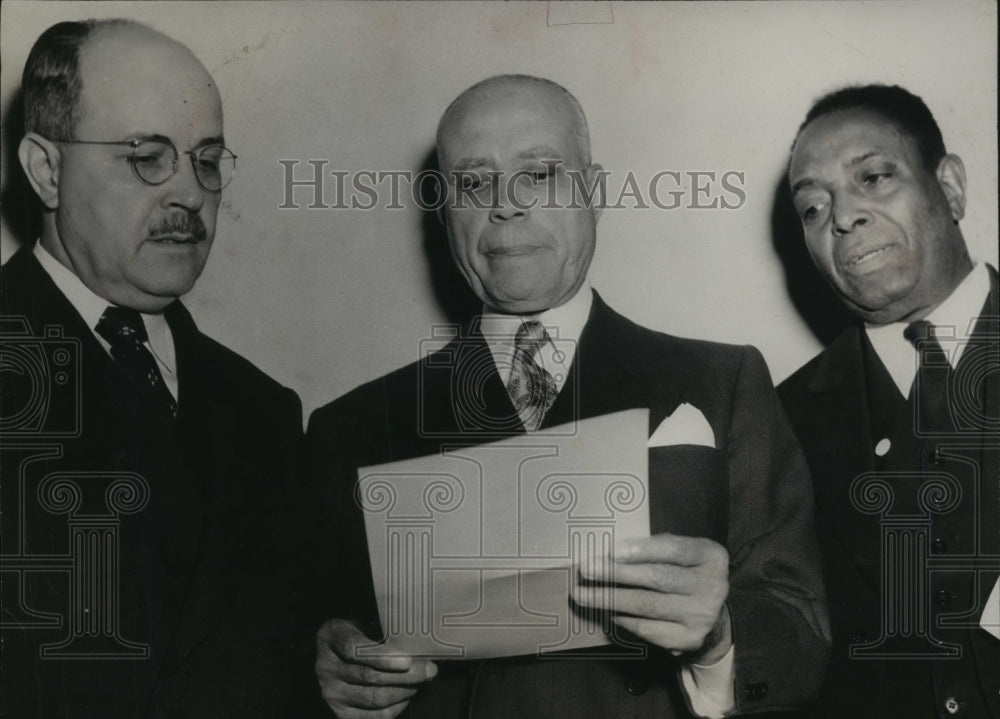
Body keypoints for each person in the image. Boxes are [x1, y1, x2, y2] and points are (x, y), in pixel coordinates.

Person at [306, 74, 829, 719]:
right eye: (474, 181)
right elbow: (298, 642)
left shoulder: (721, 383)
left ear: (596, 191)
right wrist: (330, 672)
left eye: (539, 172)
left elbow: (802, 633)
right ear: (444, 211)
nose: (506, 205)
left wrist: (718, 638)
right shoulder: (350, 428)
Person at [0, 20, 306, 717]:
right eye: (145, 156)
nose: (188, 195)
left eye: (205, 160)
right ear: (46, 170)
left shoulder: (264, 409)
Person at [779, 84, 1000, 718]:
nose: (843, 216)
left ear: (950, 188)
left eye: (873, 177)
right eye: (814, 208)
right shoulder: (780, 420)